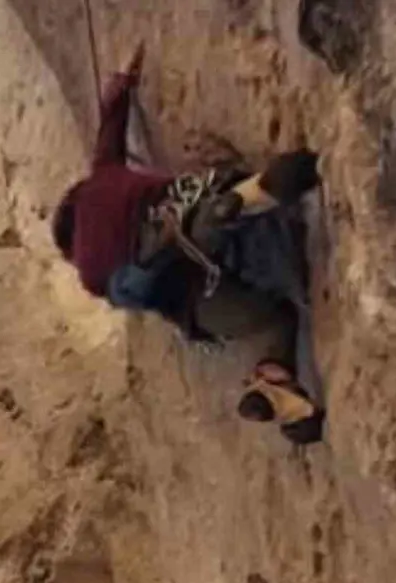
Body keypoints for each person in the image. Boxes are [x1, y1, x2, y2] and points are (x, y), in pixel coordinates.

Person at [51, 49, 326, 441]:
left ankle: (274, 375)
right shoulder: (100, 175)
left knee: (276, 320)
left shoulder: (88, 273)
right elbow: (111, 122)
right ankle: (240, 200)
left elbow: (131, 292)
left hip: (197, 296)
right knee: (203, 216)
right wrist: (123, 81)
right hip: (184, 213)